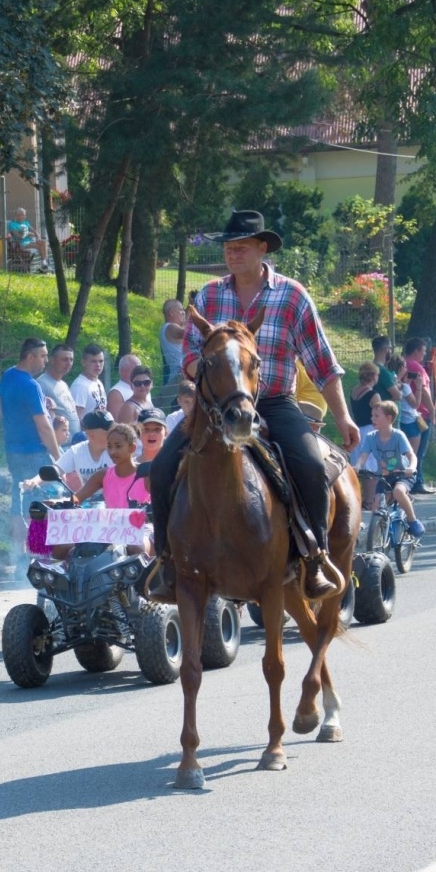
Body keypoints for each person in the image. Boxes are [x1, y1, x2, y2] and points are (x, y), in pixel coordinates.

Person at [148, 209, 358, 601]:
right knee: (161, 468)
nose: (233, 254)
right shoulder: (209, 295)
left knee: (311, 466)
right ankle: (167, 564)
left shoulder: (292, 295)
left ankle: (314, 561)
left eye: (241, 247)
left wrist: (343, 416)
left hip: (275, 402)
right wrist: (203, 369)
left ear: (263, 248)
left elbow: (323, 364)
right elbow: (190, 353)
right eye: (229, 248)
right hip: (215, 409)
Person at [0, 337, 63, 556]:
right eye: (42, 356)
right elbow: (43, 426)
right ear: (30, 356)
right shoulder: (30, 385)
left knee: (18, 499)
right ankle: (38, 554)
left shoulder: (9, 375)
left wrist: (11, 419)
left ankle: (18, 556)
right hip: (34, 452)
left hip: (13, 451)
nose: (46, 361)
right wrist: (58, 457)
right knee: (40, 504)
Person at [351, 400, 425, 538]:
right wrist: (357, 466)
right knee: (376, 505)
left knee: (398, 491)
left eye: (376, 416)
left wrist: (411, 467)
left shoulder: (398, 436)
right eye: (372, 415)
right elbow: (363, 456)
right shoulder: (370, 437)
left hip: (403, 474)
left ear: (389, 418)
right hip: (385, 476)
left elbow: (412, 456)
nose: (372, 419)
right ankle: (375, 539)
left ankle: (412, 520)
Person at [73, 422, 150, 509]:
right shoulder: (102, 475)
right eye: (109, 446)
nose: (112, 452)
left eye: (118, 446)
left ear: (132, 448)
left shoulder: (145, 475)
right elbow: (76, 498)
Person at [39, 409, 114, 496]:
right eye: (108, 432)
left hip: (119, 504)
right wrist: (33, 482)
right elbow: (56, 469)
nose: (113, 434)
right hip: (89, 504)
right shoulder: (77, 451)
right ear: (91, 434)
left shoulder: (121, 448)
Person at [403, 337, 436, 493]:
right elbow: (423, 391)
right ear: (416, 350)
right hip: (420, 414)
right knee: (419, 451)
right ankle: (417, 482)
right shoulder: (416, 367)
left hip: (407, 414)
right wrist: (432, 410)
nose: (424, 355)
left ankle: (410, 481)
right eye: (422, 351)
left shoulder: (402, 364)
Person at [38, 343, 82, 443]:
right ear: (52, 360)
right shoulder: (42, 384)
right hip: (59, 446)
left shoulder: (63, 384)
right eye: (64, 359)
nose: (69, 363)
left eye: (71, 359)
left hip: (72, 444)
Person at [71, 343, 111, 424]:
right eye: (93, 361)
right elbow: (77, 418)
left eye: (101, 361)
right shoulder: (80, 386)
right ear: (83, 362)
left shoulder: (98, 382)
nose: (98, 365)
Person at [107, 353, 143, 421]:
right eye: (135, 369)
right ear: (123, 371)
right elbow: (117, 422)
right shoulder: (116, 393)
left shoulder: (143, 387)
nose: (139, 372)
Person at [348, 362, 383, 428]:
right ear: (374, 376)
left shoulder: (354, 390)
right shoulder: (373, 395)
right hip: (370, 429)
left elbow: (350, 410)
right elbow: (381, 415)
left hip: (357, 427)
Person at [160, 299, 187, 384]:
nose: (184, 313)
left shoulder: (166, 328)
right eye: (181, 310)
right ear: (171, 312)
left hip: (179, 375)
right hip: (178, 377)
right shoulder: (170, 327)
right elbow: (187, 332)